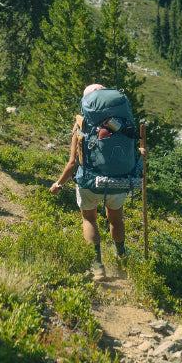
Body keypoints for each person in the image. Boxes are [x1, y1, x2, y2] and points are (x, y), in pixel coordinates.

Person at [49, 83, 147, 279]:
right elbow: (140, 153)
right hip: (121, 181)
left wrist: (58, 185)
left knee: (89, 219)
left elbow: (72, 164)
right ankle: (121, 259)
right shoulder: (125, 123)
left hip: (90, 182)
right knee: (116, 219)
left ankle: (97, 267)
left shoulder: (81, 126)